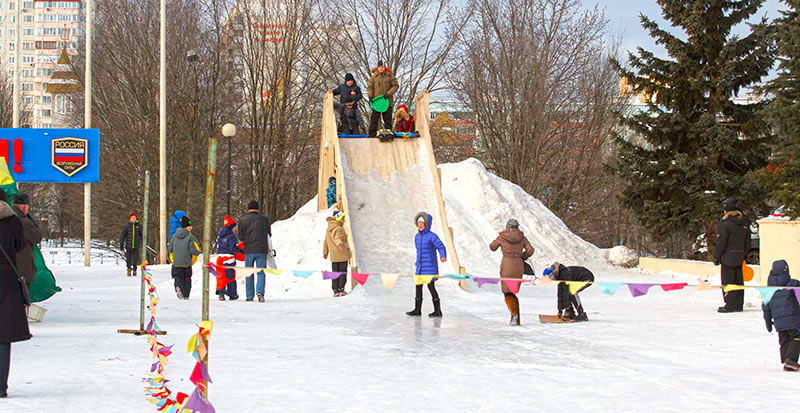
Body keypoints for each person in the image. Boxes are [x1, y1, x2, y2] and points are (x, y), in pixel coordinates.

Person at [0, 195, 32, 398]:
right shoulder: (12, 221)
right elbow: (21, 245)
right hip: (8, 281)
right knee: (4, 336)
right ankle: (1, 386)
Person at [489, 218, 534, 325]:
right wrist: (522, 256)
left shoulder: (503, 236)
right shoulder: (522, 237)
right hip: (518, 265)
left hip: (507, 264)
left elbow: (492, 247)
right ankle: (516, 318)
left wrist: (500, 240)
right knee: (513, 291)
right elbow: (530, 250)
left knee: (507, 292)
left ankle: (514, 315)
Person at [762, 260, 800, 371]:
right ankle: (790, 360)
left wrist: (768, 323)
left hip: (779, 323)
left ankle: (786, 361)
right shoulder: (793, 284)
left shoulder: (768, 290)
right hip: (793, 320)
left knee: (784, 340)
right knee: (797, 337)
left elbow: (766, 308)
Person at [714, 197, 750, 313]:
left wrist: (717, 257)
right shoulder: (743, 223)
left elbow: (721, 242)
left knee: (728, 280)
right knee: (739, 280)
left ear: (726, 211)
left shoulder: (725, 224)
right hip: (739, 256)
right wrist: (744, 254)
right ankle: (739, 304)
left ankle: (730, 304)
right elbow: (747, 241)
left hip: (728, 257)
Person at [407, 212, 447, 317]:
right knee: (418, 286)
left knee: (431, 287)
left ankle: (438, 311)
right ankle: (417, 309)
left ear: (427, 224)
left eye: (422, 223)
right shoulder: (417, 237)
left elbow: (441, 247)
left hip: (430, 266)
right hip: (421, 267)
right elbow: (420, 252)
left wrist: (443, 256)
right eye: (419, 222)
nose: (420, 224)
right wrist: (418, 261)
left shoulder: (432, 236)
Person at [238, 200, 272, 303]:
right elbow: (269, 234)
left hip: (248, 249)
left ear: (248, 209)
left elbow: (241, 237)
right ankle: (260, 292)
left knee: (249, 273)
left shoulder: (242, 220)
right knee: (261, 272)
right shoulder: (264, 219)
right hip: (261, 249)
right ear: (258, 208)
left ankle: (249, 295)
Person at [11, 194, 42, 288]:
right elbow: (37, 237)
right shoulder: (23, 222)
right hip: (22, 267)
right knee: (22, 297)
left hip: (8, 267)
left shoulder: (7, 219)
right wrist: (30, 219)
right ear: (24, 208)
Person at [169, 216, 200, 299]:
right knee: (187, 279)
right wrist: (198, 253)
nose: (191, 227)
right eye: (190, 226)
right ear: (187, 227)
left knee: (178, 278)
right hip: (186, 263)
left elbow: (170, 249)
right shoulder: (190, 237)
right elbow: (192, 250)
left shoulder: (175, 236)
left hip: (176, 263)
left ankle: (178, 287)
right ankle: (186, 295)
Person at [323, 209, 352, 297]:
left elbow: (326, 241)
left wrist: (325, 252)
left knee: (335, 272)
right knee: (342, 272)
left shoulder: (329, 229)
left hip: (334, 255)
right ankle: (341, 289)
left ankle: (335, 290)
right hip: (341, 254)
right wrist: (340, 245)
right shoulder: (339, 229)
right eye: (343, 218)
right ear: (338, 219)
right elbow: (337, 238)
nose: (344, 220)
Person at [367, 60, 399, 137]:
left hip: (387, 102)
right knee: (374, 119)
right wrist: (370, 96)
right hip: (377, 102)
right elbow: (370, 87)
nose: (381, 68)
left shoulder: (390, 76)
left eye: (382, 67)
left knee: (387, 119)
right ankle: (371, 134)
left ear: (385, 67)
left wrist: (388, 93)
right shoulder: (373, 77)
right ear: (377, 67)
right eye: (379, 67)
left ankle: (389, 134)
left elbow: (396, 86)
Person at [215, 215, 244, 301]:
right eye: (235, 227)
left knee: (221, 276)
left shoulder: (220, 236)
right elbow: (232, 249)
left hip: (219, 258)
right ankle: (232, 294)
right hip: (228, 258)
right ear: (231, 227)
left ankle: (221, 293)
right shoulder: (231, 236)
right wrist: (240, 250)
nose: (235, 229)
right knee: (230, 277)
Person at [119, 212, 143, 277]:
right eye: (132, 218)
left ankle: (135, 270)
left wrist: (142, 244)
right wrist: (121, 244)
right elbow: (123, 236)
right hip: (128, 245)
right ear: (130, 219)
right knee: (128, 259)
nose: (133, 219)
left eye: (134, 218)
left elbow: (142, 236)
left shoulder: (139, 226)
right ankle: (129, 269)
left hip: (136, 245)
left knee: (135, 259)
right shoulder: (127, 226)